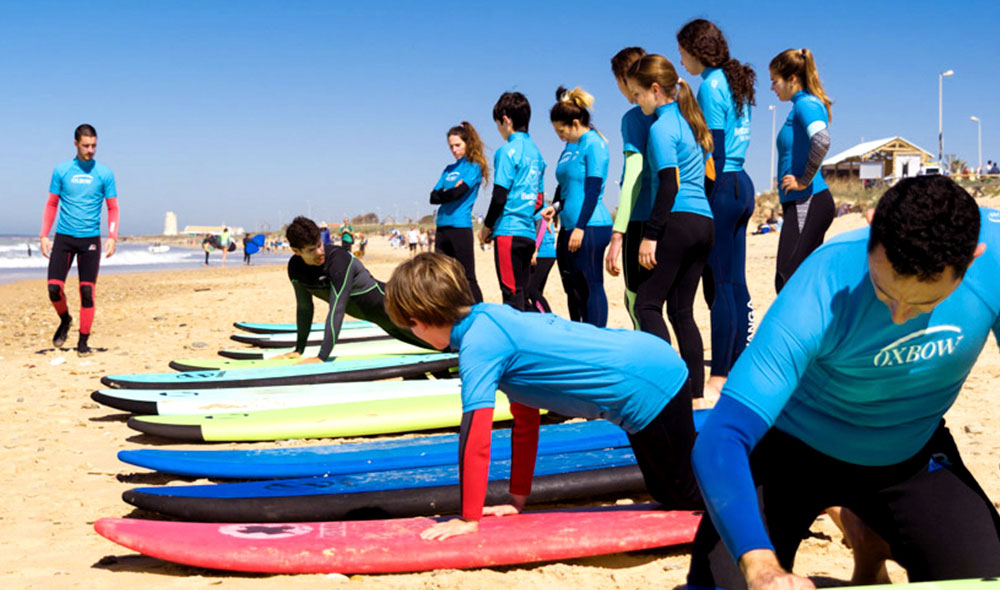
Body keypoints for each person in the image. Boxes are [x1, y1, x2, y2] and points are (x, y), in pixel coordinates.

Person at [688, 176, 1000, 589]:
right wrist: (760, 565)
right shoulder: (824, 280)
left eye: (925, 302)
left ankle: (868, 526)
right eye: (883, 291)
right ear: (872, 225)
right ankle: (861, 523)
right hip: (791, 453)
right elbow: (721, 436)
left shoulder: (994, 261)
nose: (900, 316)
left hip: (909, 455)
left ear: (973, 258)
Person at [384, 252, 703, 541]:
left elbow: (476, 434)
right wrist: (517, 499)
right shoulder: (489, 321)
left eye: (408, 325)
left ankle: (751, 473)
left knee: (688, 495)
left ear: (420, 320)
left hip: (646, 381)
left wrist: (469, 517)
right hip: (643, 374)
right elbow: (525, 420)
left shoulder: (478, 345)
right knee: (667, 491)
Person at [625, 54, 715, 402]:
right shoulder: (694, 124)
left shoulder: (661, 127)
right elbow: (709, 177)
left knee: (647, 305)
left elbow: (668, 184)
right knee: (681, 311)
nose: (636, 101)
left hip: (675, 222)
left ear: (655, 89)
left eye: (637, 94)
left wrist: (651, 235)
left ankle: (668, 386)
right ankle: (694, 391)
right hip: (703, 223)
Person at [677, 19, 757, 398]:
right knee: (736, 283)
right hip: (743, 183)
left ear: (696, 50)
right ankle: (738, 363)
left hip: (723, 186)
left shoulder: (710, 85)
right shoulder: (733, 79)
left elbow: (715, 149)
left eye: (682, 52)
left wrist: (704, 198)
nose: (681, 60)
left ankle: (720, 374)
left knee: (721, 283)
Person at [279, 216, 430, 362]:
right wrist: (299, 350)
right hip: (383, 321)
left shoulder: (338, 260)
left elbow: (337, 309)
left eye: (319, 245)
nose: (320, 252)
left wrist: (322, 357)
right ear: (296, 251)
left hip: (397, 307)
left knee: (447, 342)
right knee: (441, 347)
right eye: (312, 250)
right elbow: (305, 307)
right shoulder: (295, 268)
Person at [40, 124, 119, 356]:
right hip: (64, 237)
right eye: (86, 145)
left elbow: (112, 207)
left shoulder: (105, 173)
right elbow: (52, 203)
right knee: (54, 288)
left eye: (94, 145)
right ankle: (65, 319)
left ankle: (83, 342)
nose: (90, 150)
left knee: (87, 292)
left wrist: (112, 235)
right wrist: (44, 234)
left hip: (90, 240)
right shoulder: (61, 170)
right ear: (75, 144)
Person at [544, 86, 613, 327]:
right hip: (569, 225)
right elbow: (569, 190)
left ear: (575, 123)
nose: (559, 136)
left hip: (591, 225)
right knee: (571, 286)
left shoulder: (594, 143)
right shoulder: (570, 148)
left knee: (590, 284)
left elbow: (592, 189)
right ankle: (579, 335)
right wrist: (556, 207)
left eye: (561, 130)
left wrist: (580, 227)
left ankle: (596, 338)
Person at [770, 48, 835, 293]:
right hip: (800, 203)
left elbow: (822, 139)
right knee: (799, 281)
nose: (772, 88)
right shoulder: (799, 106)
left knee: (788, 280)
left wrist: (803, 180)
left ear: (793, 79)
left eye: (775, 81)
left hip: (808, 200)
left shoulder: (806, 104)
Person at [481, 91, 546, 310]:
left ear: (506, 120)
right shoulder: (537, 154)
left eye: (498, 123)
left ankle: (517, 344)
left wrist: (486, 227)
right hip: (528, 233)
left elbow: (499, 196)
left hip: (508, 231)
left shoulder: (507, 151)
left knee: (510, 296)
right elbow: (539, 201)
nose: (498, 129)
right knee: (522, 292)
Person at [605, 47, 654, 328]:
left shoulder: (634, 118)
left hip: (640, 216)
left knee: (636, 299)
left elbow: (634, 174)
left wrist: (618, 233)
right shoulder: (678, 111)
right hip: (675, 213)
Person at [430, 121, 487, 303]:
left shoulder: (473, 167)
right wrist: (449, 193)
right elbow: (433, 197)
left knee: (467, 277)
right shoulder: (448, 169)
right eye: (451, 146)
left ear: (467, 143)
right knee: (441, 277)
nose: (454, 150)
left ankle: (480, 314)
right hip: (442, 228)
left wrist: (446, 193)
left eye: (458, 145)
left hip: (460, 227)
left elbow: (458, 193)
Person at [526, 207, 556, 313]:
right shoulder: (539, 208)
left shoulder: (541, 209)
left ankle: (548, 316)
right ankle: (540, 317)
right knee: (537, 291)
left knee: (530, 289)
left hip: (543, 254)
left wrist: (535, 250)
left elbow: (541, 226)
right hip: (545, 253)